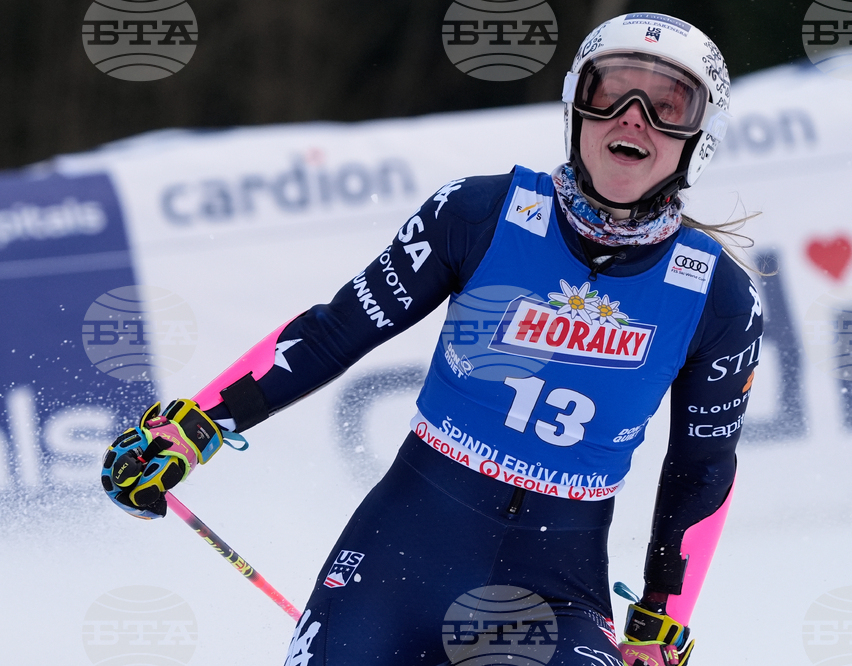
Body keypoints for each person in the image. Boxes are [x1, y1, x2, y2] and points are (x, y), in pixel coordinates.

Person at [101, 12, 762, 666]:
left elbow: (701, 470)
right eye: (610, 91)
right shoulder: (477, 215)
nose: (633, 115)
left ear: (700, 137)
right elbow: (339, 329)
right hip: (399, 559)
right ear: (575, 108)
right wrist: (193, 427)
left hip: (557, 591)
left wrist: (659, 624)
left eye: (668, 102)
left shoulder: (716, 296)